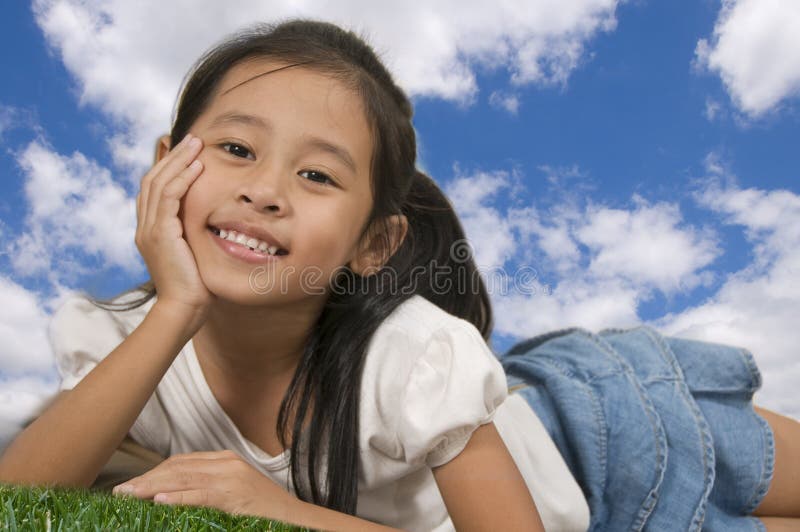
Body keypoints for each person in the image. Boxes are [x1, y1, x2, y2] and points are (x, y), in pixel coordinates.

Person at [0, 19, 797, 532]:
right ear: (167, 164)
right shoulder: (125, 346)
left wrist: (287, 514)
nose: (264, 191)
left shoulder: (415, 358)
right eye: (237, 149)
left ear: (373, 246)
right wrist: (176, 305)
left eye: (317, 176)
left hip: (599, 434)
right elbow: (17, 500)